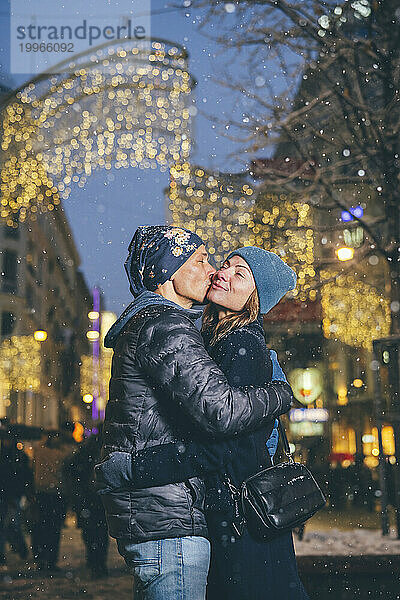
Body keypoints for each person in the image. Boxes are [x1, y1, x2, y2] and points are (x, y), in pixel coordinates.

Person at [95, 226, 294, 599]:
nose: (215, 271)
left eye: (239, 272)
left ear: (255, 297)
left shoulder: (237, 342)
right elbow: (221, 414)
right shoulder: (170, 326)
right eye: (204, 260)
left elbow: (227, 439)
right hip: (174, 515)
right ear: (169, 272)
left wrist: (134, 468)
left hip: (223, 514)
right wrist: (281, 393)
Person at [63, 434, 109, 579]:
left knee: (92, 533)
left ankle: (95, 562)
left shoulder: (84, 454)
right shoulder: (98, 454)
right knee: (99, 533)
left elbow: (70, 471)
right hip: (96, 500)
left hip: (89, 500)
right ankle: (98, 563)